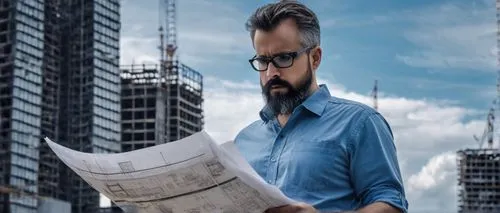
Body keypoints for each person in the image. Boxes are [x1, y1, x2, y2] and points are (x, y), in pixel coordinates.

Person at [233, 1, 409, 213]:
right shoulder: (243, 142)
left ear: (315, 58)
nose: (271, 73)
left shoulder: (360, 124)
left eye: (283, 58)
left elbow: (392, 205)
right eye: (263, 61)